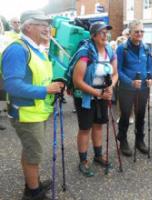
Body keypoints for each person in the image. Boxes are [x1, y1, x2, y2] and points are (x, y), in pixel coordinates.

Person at [2, 10, 64, 200]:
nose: (48, 28)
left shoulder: (35, 48)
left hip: (37, 111)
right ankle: (33, 192)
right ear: (28, 27)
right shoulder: (17, 49)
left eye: (48, 24)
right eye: (42, 24)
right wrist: (46, 90)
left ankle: (32, 183)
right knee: (33, 154)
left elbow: (39, 77)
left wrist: (55, 83)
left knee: (31, 151)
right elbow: (12, 85)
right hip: (27, 113)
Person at [70, 21, 118, 176]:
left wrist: (110, 87)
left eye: (107, 32)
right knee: (85, 128)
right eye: (102, 32)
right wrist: (98, 93)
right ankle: (83, 161)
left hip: (103, 94)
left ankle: (98, 156)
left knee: (98, 125)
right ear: (93, 35)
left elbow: (115, 74)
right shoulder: (85, 53)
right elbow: (78, 81)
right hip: (85, 96)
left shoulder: (110, 50)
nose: (106, 35)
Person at [116, 19, 152, 156]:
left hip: (143, 88)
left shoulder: (146, 48)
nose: (139, 33)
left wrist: (150, 78)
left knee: (141, 115)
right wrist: (130, 82)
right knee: (125, 115)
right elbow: (117, 71)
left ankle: (139, 140)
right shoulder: (122, 48)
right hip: (127, 89)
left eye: (142, 31)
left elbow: (150, 66)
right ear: (130, 32)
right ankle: (123, 140)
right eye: (136, 31)